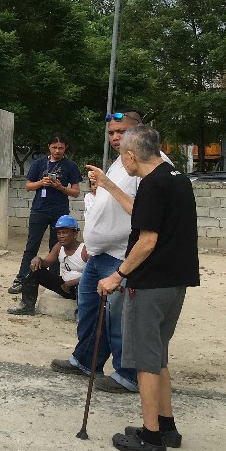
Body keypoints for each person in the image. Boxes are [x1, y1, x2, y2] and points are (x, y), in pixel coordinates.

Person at [97, 125, 198, 451]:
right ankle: (166, 426)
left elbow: (147, 240)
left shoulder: (153, 185)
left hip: (150, 283)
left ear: (130, 155)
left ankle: (150, 437)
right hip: (176, 282)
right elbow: (143, 213)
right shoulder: (175, 179)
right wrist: (110, 186)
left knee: (144, 360)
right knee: (159, 356)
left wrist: (117, 276)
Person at [50, 110, 159, 394]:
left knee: (119, 318)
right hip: (99, 254)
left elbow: (145, 213)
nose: (115, 137)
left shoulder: (145, 164)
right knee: (89, 312)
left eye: (121, 131)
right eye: (111, 132)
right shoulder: (118, 163)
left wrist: (107, 186)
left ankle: (127, 374)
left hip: (122, 255)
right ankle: (85, 361)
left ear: (140, 130)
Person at [8, 134, 82, 294]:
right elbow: (28, 186)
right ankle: (22, 278)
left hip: (60, 211)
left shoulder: (70, 165)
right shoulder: (39, 163)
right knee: (31, 245)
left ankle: (53, 280)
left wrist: (60, 187)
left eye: (61, 148)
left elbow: (76, 192)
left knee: (56, 246)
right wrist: (42, 183)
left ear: (65, 148)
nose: (57, 151)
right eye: (54, 147)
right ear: (48, 147)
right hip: (39, 210)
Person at [7, 215, 87, 315]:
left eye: (65, 232)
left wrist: (73, 282)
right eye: (59, 233)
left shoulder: (84, 250)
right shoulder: (59, 247)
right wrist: (38, 260)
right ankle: (27, 306)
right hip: (64, 287)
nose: (61, 236)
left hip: (82, 288)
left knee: (84, 285)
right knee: (36, 270)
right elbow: (46, 263)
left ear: (75, 233)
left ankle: (82, 313)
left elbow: (94, 274)